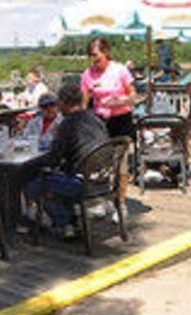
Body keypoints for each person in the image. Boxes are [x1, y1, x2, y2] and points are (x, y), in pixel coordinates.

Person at [23, 84, 109, 238]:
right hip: (104, 178)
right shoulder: (94, 118)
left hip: (82, 182)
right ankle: (70, 220)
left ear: (62, 103)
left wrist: (30, 163)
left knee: (32, 186)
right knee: (55, 180)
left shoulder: (67, 124)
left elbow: (54, 159)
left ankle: (65, 221)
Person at [80, 37, 136, 223]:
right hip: (100, 122)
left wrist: (120, 101)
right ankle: (104, 201)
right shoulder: (88, 74)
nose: (93, 59)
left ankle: (121, 203)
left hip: (121, 120)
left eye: (96, 55)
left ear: (106, 52)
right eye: (91, 56)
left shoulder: (120, 70)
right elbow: (84, 102)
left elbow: (133, 95)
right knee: (100, 164)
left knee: (121, 164)